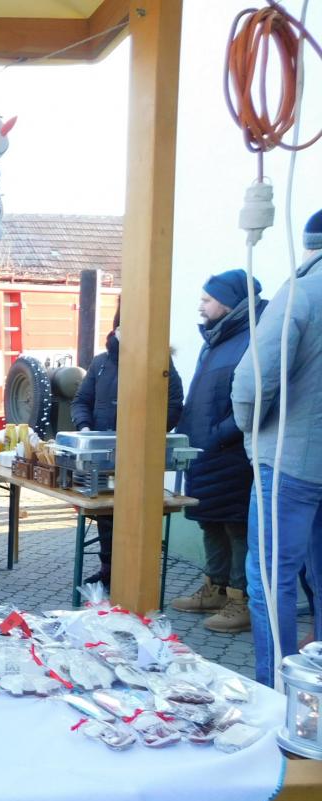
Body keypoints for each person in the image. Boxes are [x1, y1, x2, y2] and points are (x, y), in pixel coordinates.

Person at [231, 207, 322, 687]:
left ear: (310, 245)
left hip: (290, 462)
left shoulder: (300, 291)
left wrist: (252, 433)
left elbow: (252, 382)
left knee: (271, 581)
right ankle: (316, 698)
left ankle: (278, 695)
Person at [170, 270, 265, 633]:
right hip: (205, 452)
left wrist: (217, 436)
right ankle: (215, 588)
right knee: (209, 520)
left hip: (231, 454)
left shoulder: (253, 337)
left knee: (236, 526)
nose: (200, 306)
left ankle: (241, 600)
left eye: (207, 299)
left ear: (229, 303)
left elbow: (254, 399)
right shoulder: (217, 339)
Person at [70, 308, 184, 588]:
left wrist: (149, 435)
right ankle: (108, 570)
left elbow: (173, 405)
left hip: (141, 457)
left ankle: (136, 576)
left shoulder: (159, 362)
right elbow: (81, 401)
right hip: (104, 457)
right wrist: (85, 428)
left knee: (137, 515)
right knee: (105, 515)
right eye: (121, 328)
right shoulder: (101, 363)